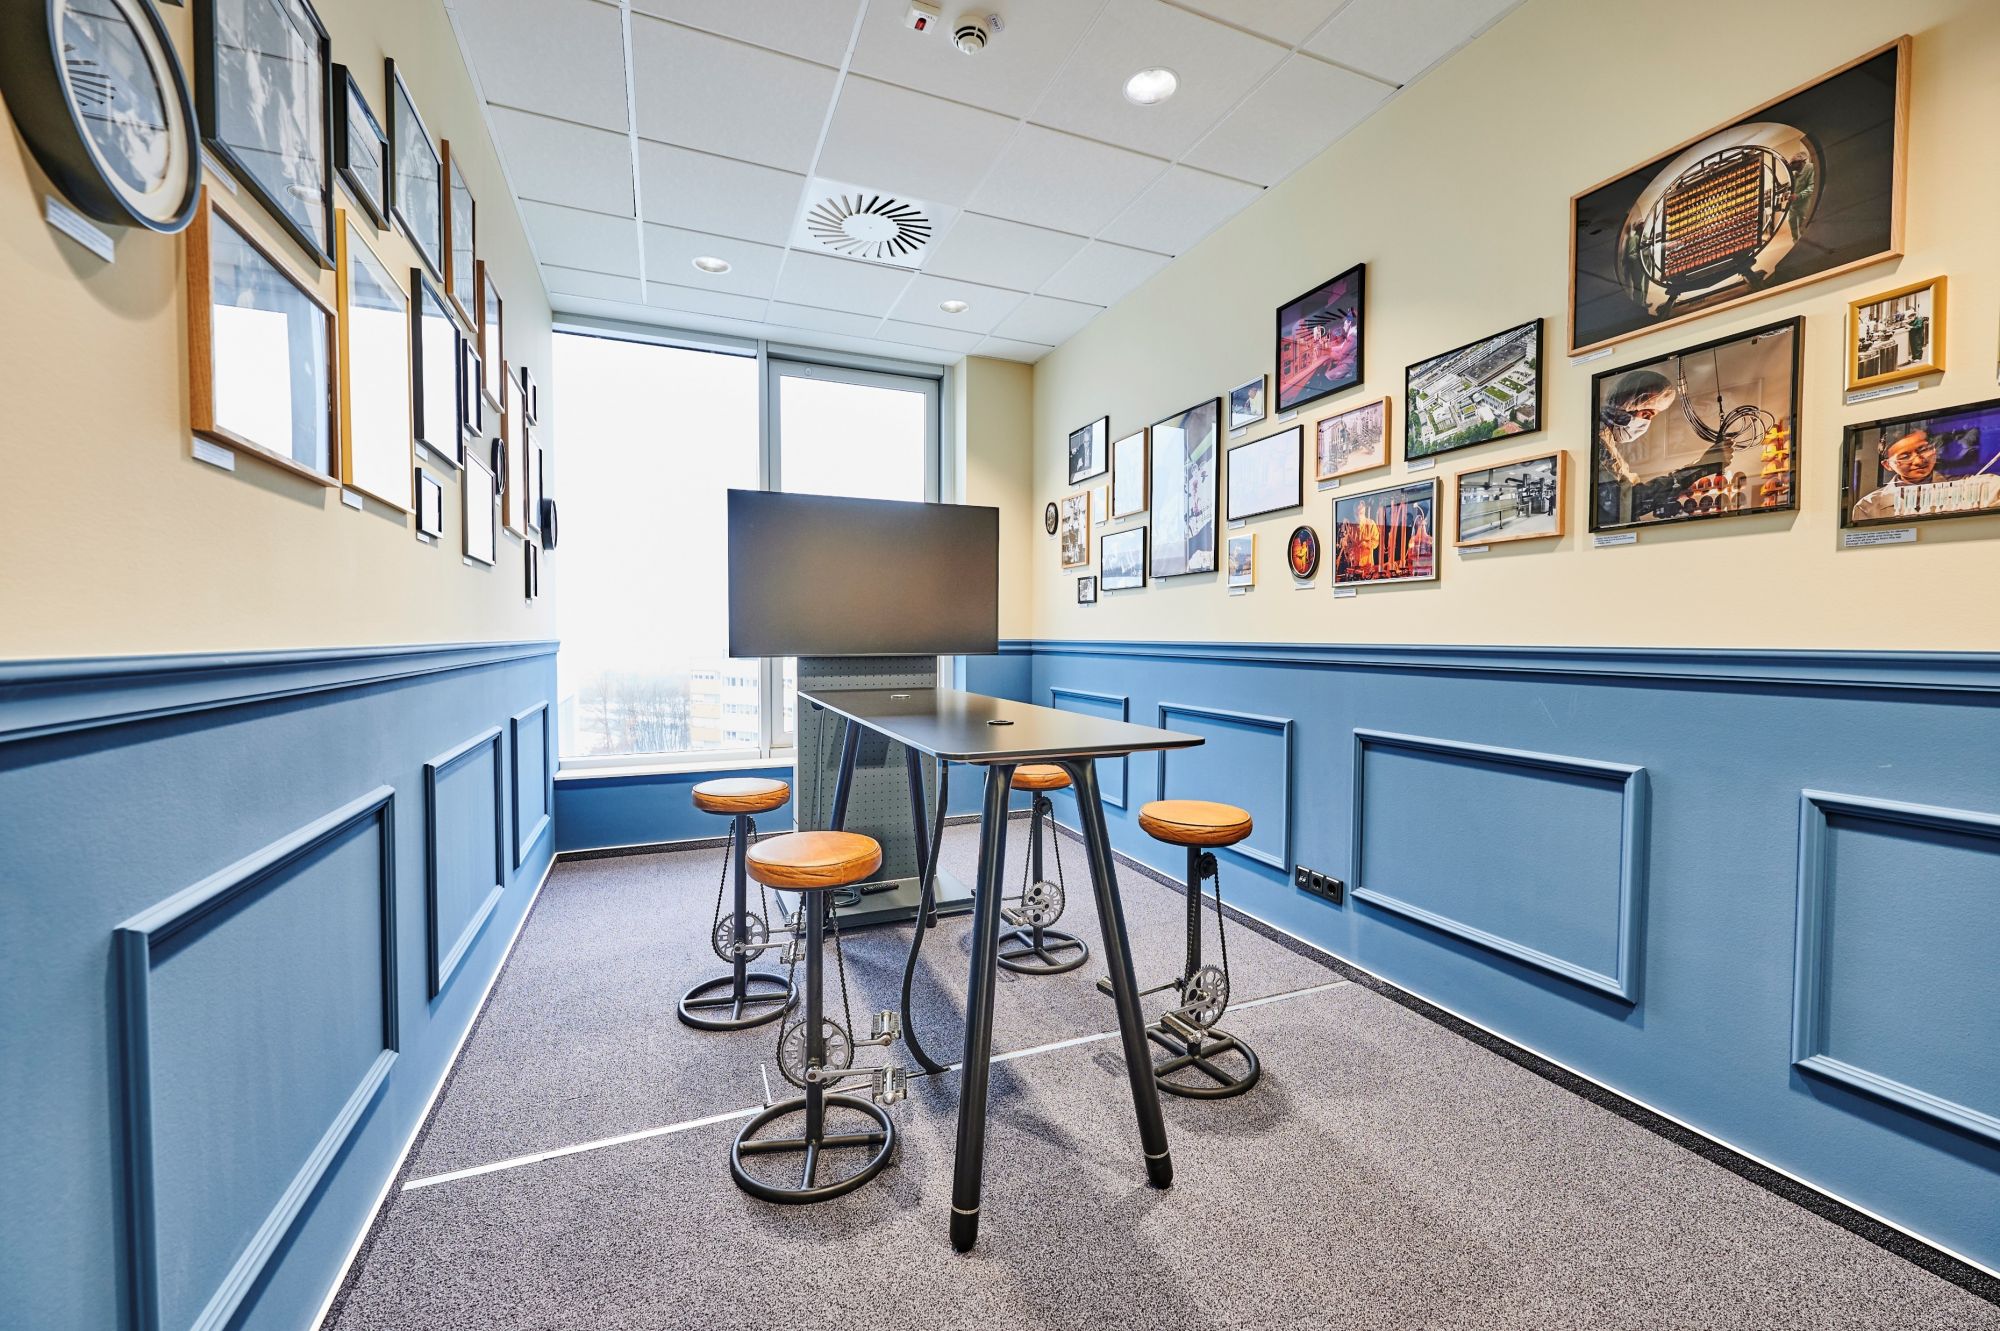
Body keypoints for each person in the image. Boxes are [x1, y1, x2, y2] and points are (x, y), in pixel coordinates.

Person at [1850, 428, 2000, 521]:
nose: (1919, 460)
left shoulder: (1971, 486)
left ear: (1934, 450)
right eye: (1905, 456)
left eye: (1923, 449)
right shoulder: (1868, 506)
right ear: (1887, 465)